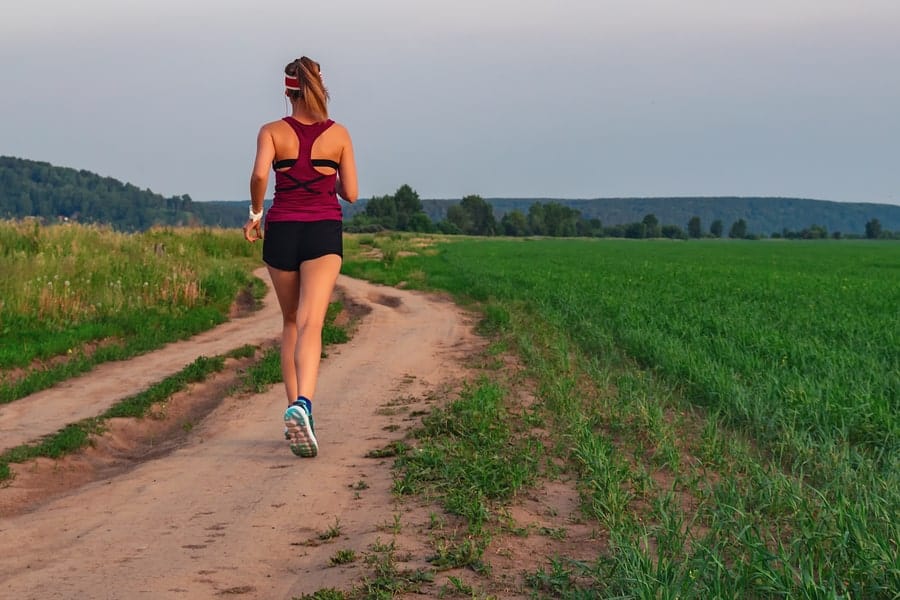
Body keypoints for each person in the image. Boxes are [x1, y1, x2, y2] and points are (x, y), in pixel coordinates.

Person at [243, 56, 358, 457]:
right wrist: (328, 174)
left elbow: (260, 176)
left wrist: (256, 212)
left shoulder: (272, 131)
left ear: (287, 91)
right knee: (312, 322)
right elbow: (352, 192)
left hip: (283, 232)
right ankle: (304, 405)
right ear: (318, 88)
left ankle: (294, 407)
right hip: (323, 232)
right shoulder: (339, 134)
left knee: (291, 320)